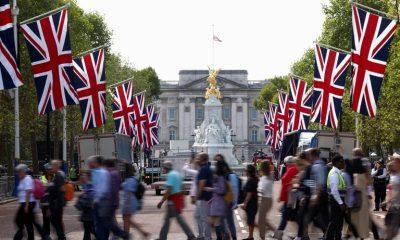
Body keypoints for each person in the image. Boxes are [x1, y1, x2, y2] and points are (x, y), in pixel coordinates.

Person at [156, 161, 196, 240]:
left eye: (164, 168)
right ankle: (162, 237)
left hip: (172, 201)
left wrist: (161, 201)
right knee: (168, 221)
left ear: (166, 168)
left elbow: (169, 190)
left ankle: (191, 236)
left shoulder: (170, 175)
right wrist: (183, 201)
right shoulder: (177, 174)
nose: (164, 169)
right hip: (177, 199)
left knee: (178, 220)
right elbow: (182, 187)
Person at [95, 158, 128, 240]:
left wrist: (108, 199)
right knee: (108, 220)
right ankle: (113, 235)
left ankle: (122, 234)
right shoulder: (115, 173)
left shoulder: (112, 174)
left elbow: (112, 189)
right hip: (113, 201)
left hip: (111, 202)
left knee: (106, 221)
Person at [14, 164, 47, 240]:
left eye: (19, 172)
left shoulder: (27, 178)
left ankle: (19, 236)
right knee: (29, 222)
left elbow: (28, 191)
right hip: (26, 203)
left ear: (23, 171)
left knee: (18, 220)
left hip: (28, 203)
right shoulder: (23, 179)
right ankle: (42, 236)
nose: (18, 174)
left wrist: (26, 205)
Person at [273, 155, 299, 240]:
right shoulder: (291, 169)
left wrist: (282, 196)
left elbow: (287, 185)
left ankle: (279, 234)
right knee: (291, 216)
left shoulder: (292, 169)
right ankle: (300, 235)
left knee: (286, 216)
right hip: (289, 197)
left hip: (290, 197)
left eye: (285, 163)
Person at [121, 163, 149, 238]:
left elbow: (129, 194)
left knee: (126, 219)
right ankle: (141, 233)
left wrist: (126, 205)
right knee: (127, 219)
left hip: (130, 202)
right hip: (131, 201)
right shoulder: (132, 179)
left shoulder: (130, 180)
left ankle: (127, 235)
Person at [306, 148, 328, 235]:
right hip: (318, 196)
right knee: (317, 219)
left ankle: (328, 233)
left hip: (319, 196)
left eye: (309, 156)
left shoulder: (318, 166)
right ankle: (327, 233)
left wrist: (316, 196)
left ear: (313, 156)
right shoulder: (319, 165)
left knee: (309, 219)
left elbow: (321, 182)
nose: (308, 158)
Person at [206, 156, 228, 240]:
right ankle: (222, 235)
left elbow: (222, 190)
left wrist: (211, 189)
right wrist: (211, 199)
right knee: (214, 221)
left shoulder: (221, 177)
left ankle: (221, 236)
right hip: (216, 201)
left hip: (219, 202)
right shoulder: (219, 177)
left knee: (216, 222)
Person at [325, 155, 346, 240]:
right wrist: (341, 203)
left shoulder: (338, 172)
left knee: (339, 222)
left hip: (338, 200)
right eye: (342, 162)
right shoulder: (334, 173)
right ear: (337, 163)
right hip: (336, 201)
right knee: (334, 222)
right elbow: (334, 191)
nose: (343, 163)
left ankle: (338, 237)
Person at [350, 156, 370, 239]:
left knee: (356, 218)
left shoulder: (356, 175)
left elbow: (356, 187)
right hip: (364, 198)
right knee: (363, 219)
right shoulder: (365, 175)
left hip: (357, 199)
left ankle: (357, 234)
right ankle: (363, 235)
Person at [195, 153, 213, 240]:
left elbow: (202, 184)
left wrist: (197, 195)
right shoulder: (205, 168)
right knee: (198, 215)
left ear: (202, 159)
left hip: (204, 197)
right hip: (203, 196)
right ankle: (201, 234)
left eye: (198, 158)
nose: (197, 159)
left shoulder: (204, 169)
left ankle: (207, 236)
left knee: (204, 217)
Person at [47, 160, 67, 240]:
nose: (51, 167)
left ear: (56, 166)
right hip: (56, 204)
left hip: (57, 204)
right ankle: (61, 237)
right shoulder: (56, 175)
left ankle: (62, 237)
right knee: (56, 222)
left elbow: (62, 189)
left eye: (52, 165)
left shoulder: (59, 176)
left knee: (56, 221)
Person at [74, 170, 96, 240]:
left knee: (91, 230)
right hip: (87, 212)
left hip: (90, 212)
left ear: (88, 177)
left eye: (84, 175)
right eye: (81, 175)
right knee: (88, 230)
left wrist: (81, 201)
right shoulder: (85, 184)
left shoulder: (90, 185)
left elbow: (90, 198)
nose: (82, 176)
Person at [382, 156, 400, 239]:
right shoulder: (394, 175)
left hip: (397, 206)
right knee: (388, 226)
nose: (392, 163)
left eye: (395, 162)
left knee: (391, 229)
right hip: (394, 206)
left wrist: (387, 201)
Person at [257, 161, 275, 240]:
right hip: (268, 199)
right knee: (263, 220)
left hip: (265, 200)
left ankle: (263, 237)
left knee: (261, 221)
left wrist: (257, 190)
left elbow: (262, 190)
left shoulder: (265, 177)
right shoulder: (269, 176)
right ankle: (276, 232)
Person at [241, 164, 259, 240]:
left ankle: (251, 236)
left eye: (246, 170)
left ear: (248, 171)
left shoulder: (251, 180)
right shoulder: (255, 179)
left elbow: (249, 193)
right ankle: (250, 236)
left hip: (251, 203)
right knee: (250, 220)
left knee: (250, 220)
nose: (245, 171)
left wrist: (245, 203)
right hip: (254, 202)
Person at [40, 163, 53, 236]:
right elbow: (43, 188)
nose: (50, 171)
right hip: (45, 201)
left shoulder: (54, 177)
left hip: (53, 201)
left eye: (50, 169)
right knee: (45, 219)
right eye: (48, 169)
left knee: (54, 220)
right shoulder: (42, 178)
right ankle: (46, 234)